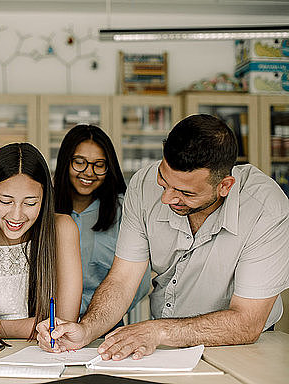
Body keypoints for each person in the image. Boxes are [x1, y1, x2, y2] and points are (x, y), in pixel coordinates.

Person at [37, 114, 289, 361]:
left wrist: (158, 330)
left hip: (241, 346)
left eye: (185, 192)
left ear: (225, 185)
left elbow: (247, 321)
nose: (167, 199)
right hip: (165, 345)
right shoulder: (143, 185)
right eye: (164, 180)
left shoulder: (265, 208)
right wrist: (87, 330)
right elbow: (123, 280)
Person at [0, 142, 82, 355]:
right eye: (5, 201)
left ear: (44, 200)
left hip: (48, 355)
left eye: (30, 203)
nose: (16, 215)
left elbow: (64, 324)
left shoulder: (62, 229)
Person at [53, 124, 151, 321]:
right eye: (79, 162)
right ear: (65, 162)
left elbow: (138, 281)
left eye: (99, 164)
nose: (89, 172)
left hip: (105, 323)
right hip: (51, 322)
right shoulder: (44, 209)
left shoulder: (124, 211)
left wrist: (98, 317)